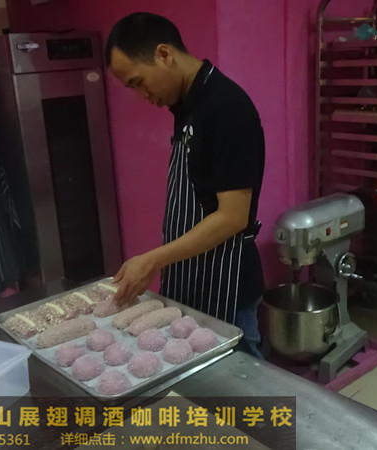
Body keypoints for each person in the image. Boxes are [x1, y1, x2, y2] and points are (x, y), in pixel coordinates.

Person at [106, 12, 266, 357]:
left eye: (138, 82)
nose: (142, 95)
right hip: (192, 275)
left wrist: (151, 260)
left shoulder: (226, 107)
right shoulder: (187, 105)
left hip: (227, 280)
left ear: (164, 54)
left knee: (240, 379)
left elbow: (232, 217)